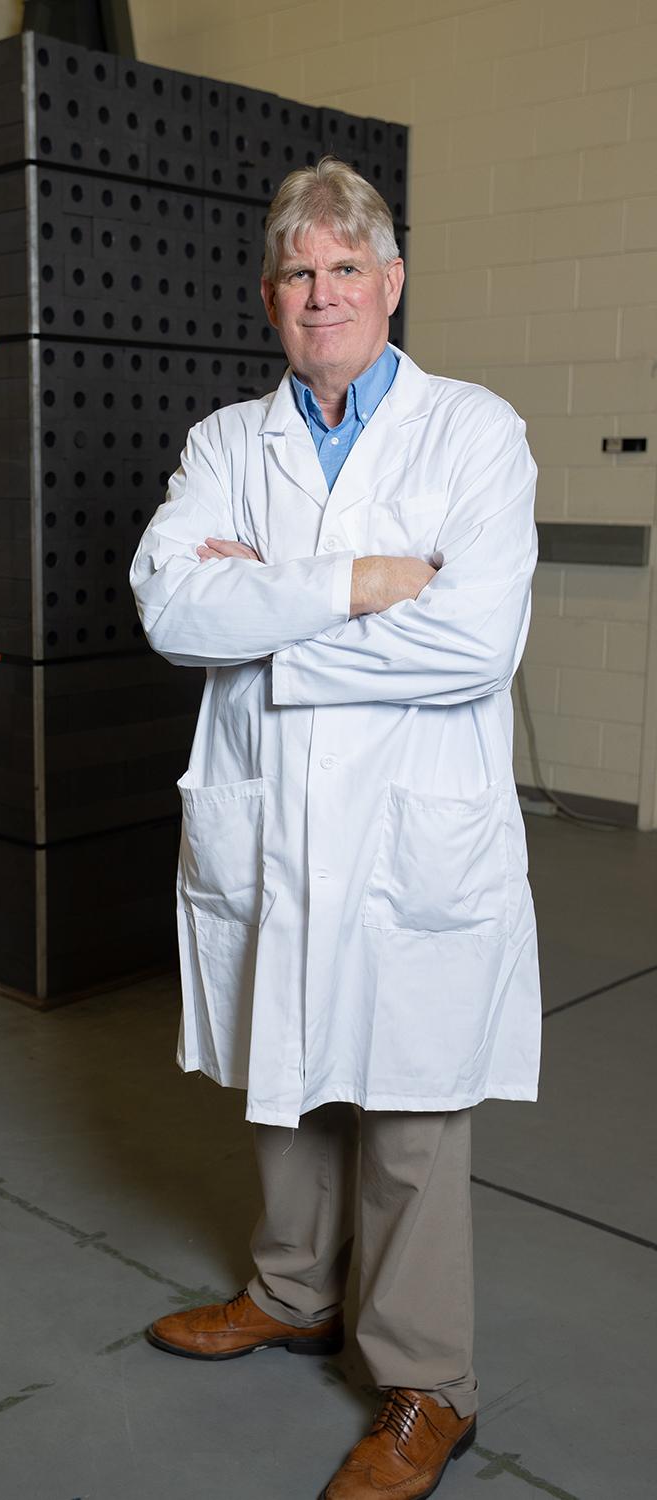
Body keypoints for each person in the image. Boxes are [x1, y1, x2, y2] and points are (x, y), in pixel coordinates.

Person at [128, 156, 540, 1500]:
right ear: (270, 296)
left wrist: (278, 626)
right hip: (270, 820)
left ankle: (429, 1383)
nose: (322, 295)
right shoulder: (222, 445)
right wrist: (366, 584)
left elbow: (476, 641)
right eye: (299, 273)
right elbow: (176, 613)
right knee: (281, 1070)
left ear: (393, 282)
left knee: (412, 1106)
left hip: (410, 829)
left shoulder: (474, 432)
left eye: (346, 268)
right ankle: (293, 1293)